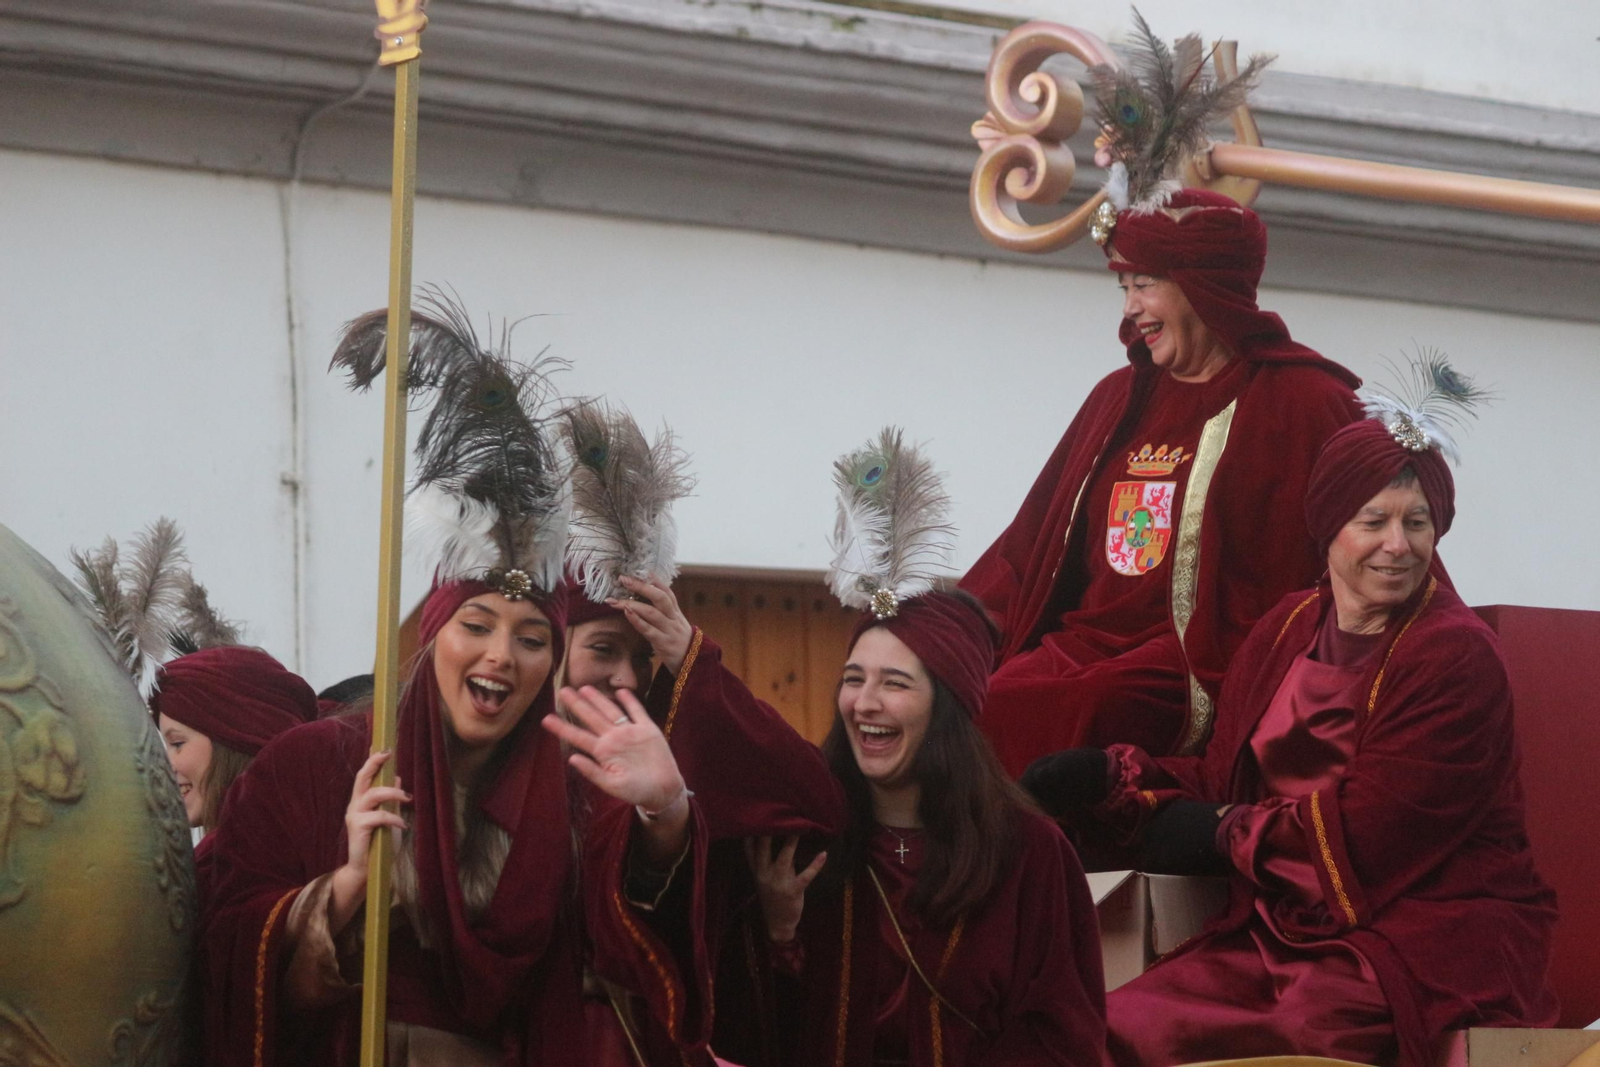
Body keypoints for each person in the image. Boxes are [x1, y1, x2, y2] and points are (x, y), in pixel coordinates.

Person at [201, 298, 708, 1065]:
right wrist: (341, 889)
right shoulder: (316, 763)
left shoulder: (575, 792)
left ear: (552, 662)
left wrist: (666, 813)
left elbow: (636, 961)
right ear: (433, 637)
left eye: (532, 637)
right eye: (476, 627)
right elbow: (218, 937)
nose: (501, 655)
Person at [1023, 368, 1558, 1066]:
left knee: (1237, 1039)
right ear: (1329, 527)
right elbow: (1221, 778)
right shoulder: (1286, 627)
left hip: (1420, 944)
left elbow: (1371, 835)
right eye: (1375, 520)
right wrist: (1115, 778)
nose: (1397, 544)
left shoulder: (1457, 657)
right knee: (1110, 1026)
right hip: (1282, 934)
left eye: (1417, 521)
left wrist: (1219, 833)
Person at [962, 29, 1363, 769]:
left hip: (1197, 668)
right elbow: (1024, 552)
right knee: (977, 701)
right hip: (1080, 644)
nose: (1132, 308)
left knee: (1079, 708)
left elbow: (1371, 546)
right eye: (1124, 286)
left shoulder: (1305, 401)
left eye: (1145, 284)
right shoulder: (1117, 396)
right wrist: (940, 631)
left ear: (1205, 289)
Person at [679, 430, 1106, 1067]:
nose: (864, 702)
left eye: (894, 683)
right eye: (854, 679)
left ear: (948, 711)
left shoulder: (1032, 855)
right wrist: (775, 927)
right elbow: (747, 1036)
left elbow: (1065, 1037)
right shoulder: (808, 846)